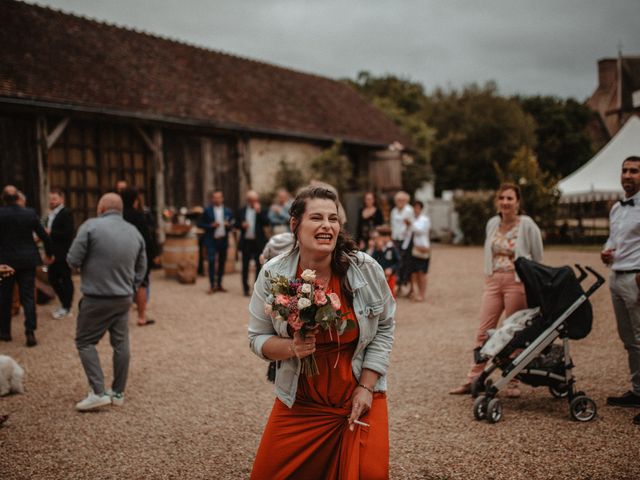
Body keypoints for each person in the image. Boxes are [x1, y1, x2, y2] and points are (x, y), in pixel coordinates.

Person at [248, 186, 395, 479]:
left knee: (368, 474)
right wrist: (293, 347)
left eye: (333, 218)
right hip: (301, 401)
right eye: (316, 217)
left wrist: (366, 387)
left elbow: (385, 326)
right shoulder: (273, 274)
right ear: (295, 224)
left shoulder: (365, 268)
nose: (327, 226)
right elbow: (256, 338)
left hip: (357, 396)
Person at [450, 183, 543, 396]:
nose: (505, 202)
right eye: (502, 198)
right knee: (484, 330)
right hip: (493, 281)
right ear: (497, 201)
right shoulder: (492, 223)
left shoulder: (527, 224)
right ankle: (474, 379)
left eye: (510, 198)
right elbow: (489, 253)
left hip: (517, 282)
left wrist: (533, 282)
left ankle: (512, 381)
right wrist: (489, 275)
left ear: (518, 202)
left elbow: (537, 256)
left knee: (513, 332)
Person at [67, 193, 146, 411]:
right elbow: (142, 267)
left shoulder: (90, 226)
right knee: (121, 344)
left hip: (96, 297)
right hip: (123, 297)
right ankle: (118, 392)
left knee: (85, 341)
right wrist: (131, 287)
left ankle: (98, 392)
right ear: (119, 209)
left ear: (101, 207)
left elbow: (72, 259)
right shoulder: (134, 232)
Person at [601, 156, 640, 426]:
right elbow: (613, 240)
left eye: (634, 171)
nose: (628, 175)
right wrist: (606, 252)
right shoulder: (617, 208)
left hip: (636, 278)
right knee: (628, 338)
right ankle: (638, 392)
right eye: (624, 170)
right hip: (617, 276)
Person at [0, 185, 53, 346]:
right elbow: (44, 235)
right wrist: (49, 254)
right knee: (28, 297)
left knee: (4, 297)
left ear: (3, 199)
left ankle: (5, 332)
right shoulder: (29, 213)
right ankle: (30, 332)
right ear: (17, 198)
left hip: (6, 260)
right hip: (27, 259)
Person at [121, 188, 158, 326]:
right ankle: (141, 317)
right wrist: (153, 254)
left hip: (122, 254)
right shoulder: (138, 216)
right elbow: (146, 238)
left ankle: (121, 318)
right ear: (135, 200)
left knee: (122, 283)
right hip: (138, 254)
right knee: (142, 284)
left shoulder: (119, 216)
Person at [46, 188, 75, 319]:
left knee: (65, 278)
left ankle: (67, 306)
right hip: (54, 252)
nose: (52, 201)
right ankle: (65, 303)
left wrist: (50, 232)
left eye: (54, 199)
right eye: (50, 199)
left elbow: (69, 233)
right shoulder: (51, 214)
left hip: (63, 252)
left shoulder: (65, 213)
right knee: (53, 278)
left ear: (61, 199)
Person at [198, 190, 234, 294]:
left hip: (223, 240)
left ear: (222, 198)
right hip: (211, 241)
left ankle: (219, 284)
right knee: (211, 262)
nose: (217, 199)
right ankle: (211, 285)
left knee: (222, 263)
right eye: (215, 197)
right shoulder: (207, 211)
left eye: (219, 197)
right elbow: (200, 224)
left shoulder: (228, 211)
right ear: (212, 199)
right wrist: (211, 226)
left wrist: (229, 225)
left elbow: (233, 224)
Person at [236, 190, 269, 296]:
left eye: (255, 200)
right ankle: (245, 288)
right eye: (251, 200)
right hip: (246, 242)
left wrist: (259, 212)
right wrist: (241, 225)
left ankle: (256, 288)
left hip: (258, 242)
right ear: (248, 201)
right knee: (245, 266)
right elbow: (236, 224)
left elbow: (267, 222)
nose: (253, 202)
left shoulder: (262, 209)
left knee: (259, 266)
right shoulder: (241, 210)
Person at [404, 201, 431, 302]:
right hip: (415, 248)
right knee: (414, 272)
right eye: (414, 208)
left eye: (417, 208)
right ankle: (417, 293)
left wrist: (411, 224)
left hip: (423, 247)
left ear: (421, 209)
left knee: (422, 272)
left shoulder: (425, 219)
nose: (416, 210)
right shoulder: (413, 220)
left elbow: (421, 231)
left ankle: (422, 294)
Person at [390, 190, 414, 295]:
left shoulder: (409, 210)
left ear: (406, 200)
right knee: (397, 264)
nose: (399, 201)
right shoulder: (394, 211)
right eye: (398, 200)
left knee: (407, 264)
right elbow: (393, 226)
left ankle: (410, 288)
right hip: (396, 240)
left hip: (406, 241)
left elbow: (410, 228)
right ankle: (398, 287)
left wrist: (405, 245)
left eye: (402, 200)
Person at [370, 225, 401, 298]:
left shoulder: (392, 248)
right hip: (379, 276)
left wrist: (391, 269)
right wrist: (378, 250)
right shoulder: (377, 249)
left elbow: (398, 262)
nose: (378, 239)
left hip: (389, 277)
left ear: (388, 237)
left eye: (380, 237)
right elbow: (372, 260)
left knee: (389, 295)